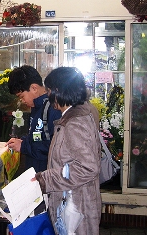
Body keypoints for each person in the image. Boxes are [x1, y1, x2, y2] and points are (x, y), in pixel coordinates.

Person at [33, 67, 101, 234]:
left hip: (76, 206)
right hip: (73, 200)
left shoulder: (75, 122)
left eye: (49, 91)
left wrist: (46, 179)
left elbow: (87, 167)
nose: (48, 96)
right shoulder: (77, 113)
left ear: (58, 91)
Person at [5, 65, 62, 173]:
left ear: (34, 88)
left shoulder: (53, 108)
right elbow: (38, 137)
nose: (22, 101)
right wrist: (23, 140)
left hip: (47, 175)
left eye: (21, 96)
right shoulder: (36, 107)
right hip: (35, 171)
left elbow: (54, 148)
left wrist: (24, 146)